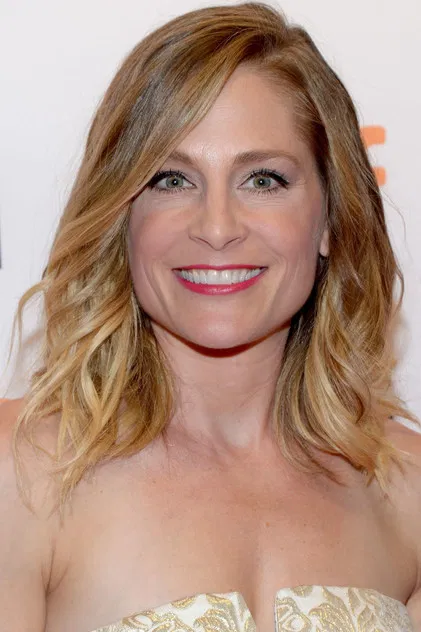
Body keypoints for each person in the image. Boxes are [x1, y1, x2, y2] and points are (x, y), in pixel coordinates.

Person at [1, 2, 420, 630]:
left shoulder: (407, 488)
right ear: (121, 218)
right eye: (172, 180)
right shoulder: (22, 474)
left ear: (331, 217)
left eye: (264, 180)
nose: (217, 227)